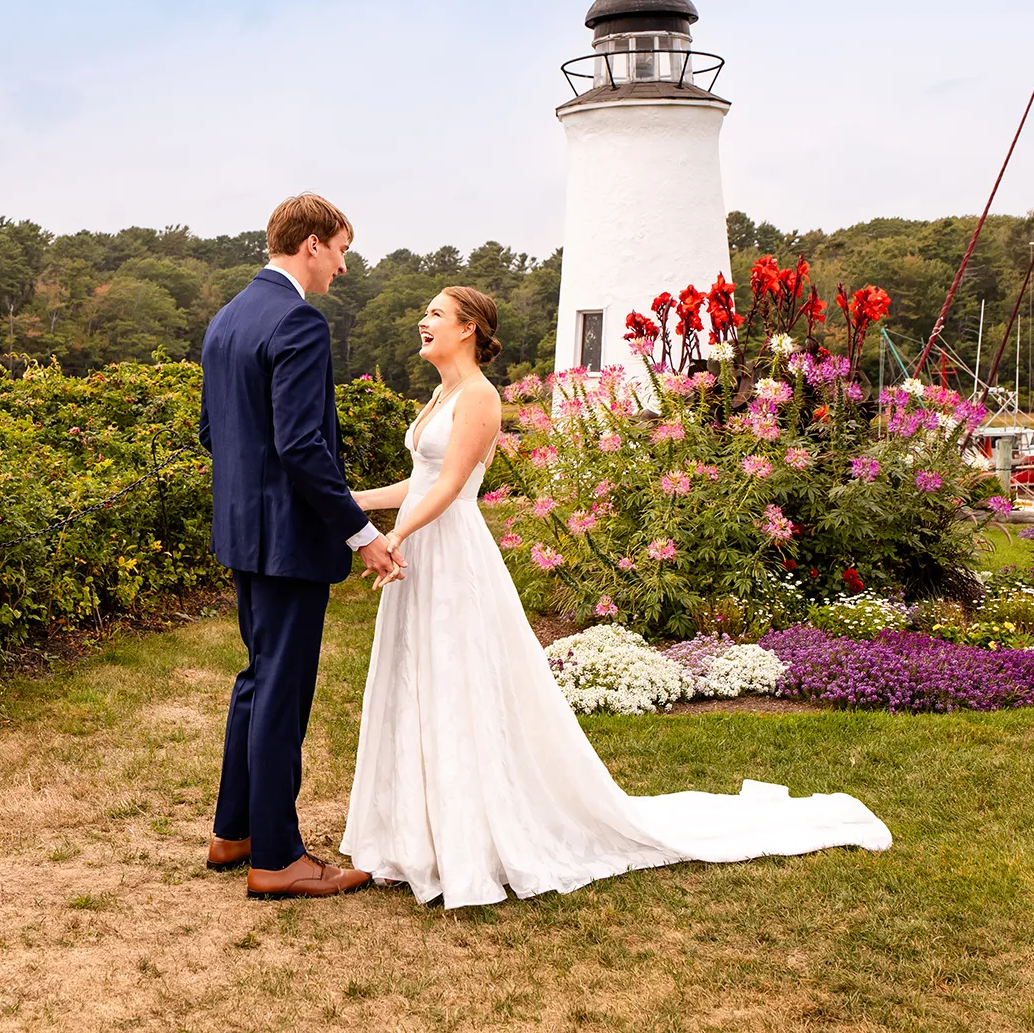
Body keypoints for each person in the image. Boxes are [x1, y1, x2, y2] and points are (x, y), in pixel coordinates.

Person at [340, 285, 893, 908]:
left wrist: (396, 537)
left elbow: (451, 486)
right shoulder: (441, 394)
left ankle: (470, 836)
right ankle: (417, 834)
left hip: (450, 550)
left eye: (435, 312)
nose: (424, 320)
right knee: (419, 676)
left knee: (458, 679)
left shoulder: (480, 397)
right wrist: (355, 504)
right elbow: (417, 483)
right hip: (424, 547)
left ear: (468, 328)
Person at [198, 193, 403, 900]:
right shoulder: (297, 322)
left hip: (242, 532)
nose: (343, 267)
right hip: (286, 539)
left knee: (258, 680)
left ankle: (237, 831)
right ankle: (278, 858)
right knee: (281, 692)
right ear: (311, 244)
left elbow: (212, 434)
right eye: (342, 250)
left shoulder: (228, 318)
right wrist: (362, 533)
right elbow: (302, 446)